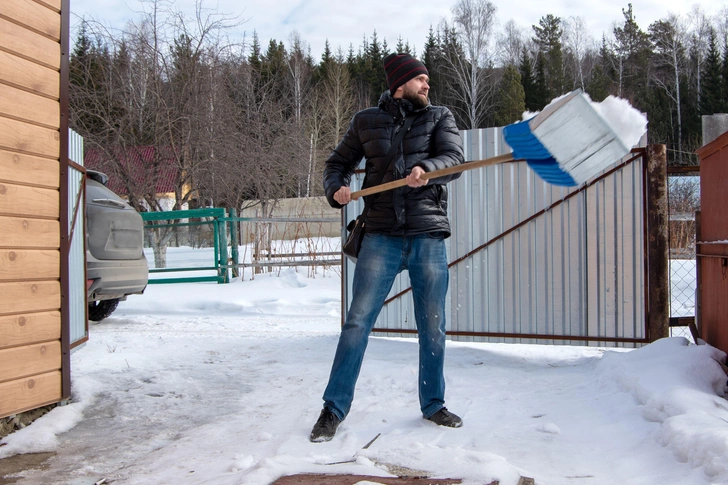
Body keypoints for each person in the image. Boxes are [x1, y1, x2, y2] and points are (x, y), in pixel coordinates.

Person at [310, 53, 465, 443]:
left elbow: (454, 159)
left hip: (426, 234)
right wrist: (337, 190)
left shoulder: (439, 117)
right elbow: (336, 164)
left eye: (428, 79)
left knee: (433, 325)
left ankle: (433, 404)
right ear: (401, 83)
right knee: (357, 322)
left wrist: (427, 170)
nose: (427, 85)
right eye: (421, 79)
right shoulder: (366, 121)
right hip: (380, 235)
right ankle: (333, 408)